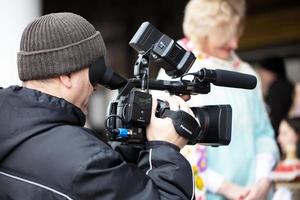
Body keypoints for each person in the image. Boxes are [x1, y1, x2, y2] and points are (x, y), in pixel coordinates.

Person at [0, 12, 195, 199]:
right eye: (94, 75)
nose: (95, 88)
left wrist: (130, 146)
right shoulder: (87, 162)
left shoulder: (12, 130)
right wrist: (165, 150)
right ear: (66, 75)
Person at [156, 0, 279, 199]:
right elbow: (168, 140)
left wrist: (263, 181)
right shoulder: (176, 71)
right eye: (224, 38)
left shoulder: (244, 72)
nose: (235, 44)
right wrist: (226, 188)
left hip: (255, 191)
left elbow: (263, 133)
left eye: (235, 35)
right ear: (201, 34)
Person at [257, 57, 294, 138]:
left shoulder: (278, 89)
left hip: (282, 134)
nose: (261, 76)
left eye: (263, 72)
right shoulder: (287, 86)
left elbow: (274, 117)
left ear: (272, 72)